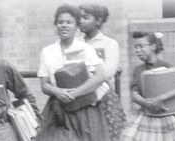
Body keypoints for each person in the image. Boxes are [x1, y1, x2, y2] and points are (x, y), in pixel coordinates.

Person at [36, 4, 124, 141]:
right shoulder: (47, 51)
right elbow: (44, 85)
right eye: (60, 22)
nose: (64, 25)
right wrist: (58, 92)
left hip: (86, 107)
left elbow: (100, 76)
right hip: (59, 108)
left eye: (69, 22)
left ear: (76, 25)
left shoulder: (86, 49)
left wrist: (73, 94)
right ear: (56, 25)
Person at [121, 32, 175, 141]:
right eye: (136, 47)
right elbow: (134, 95)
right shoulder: (138, 70)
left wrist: (162, 98)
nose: (137, 50)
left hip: (168, 115)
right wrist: (147, 103)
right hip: (146, 116)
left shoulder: (167, 66)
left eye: (141, 46)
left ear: (153, 46)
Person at [79, 3, 126, 140]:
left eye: (85, 17)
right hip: (79, 96)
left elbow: (107, 72)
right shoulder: (76, 43)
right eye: (79, 17)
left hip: (102, 97)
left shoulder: (109, 44)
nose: (80, 21)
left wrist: (83, 71)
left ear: (98, 20)